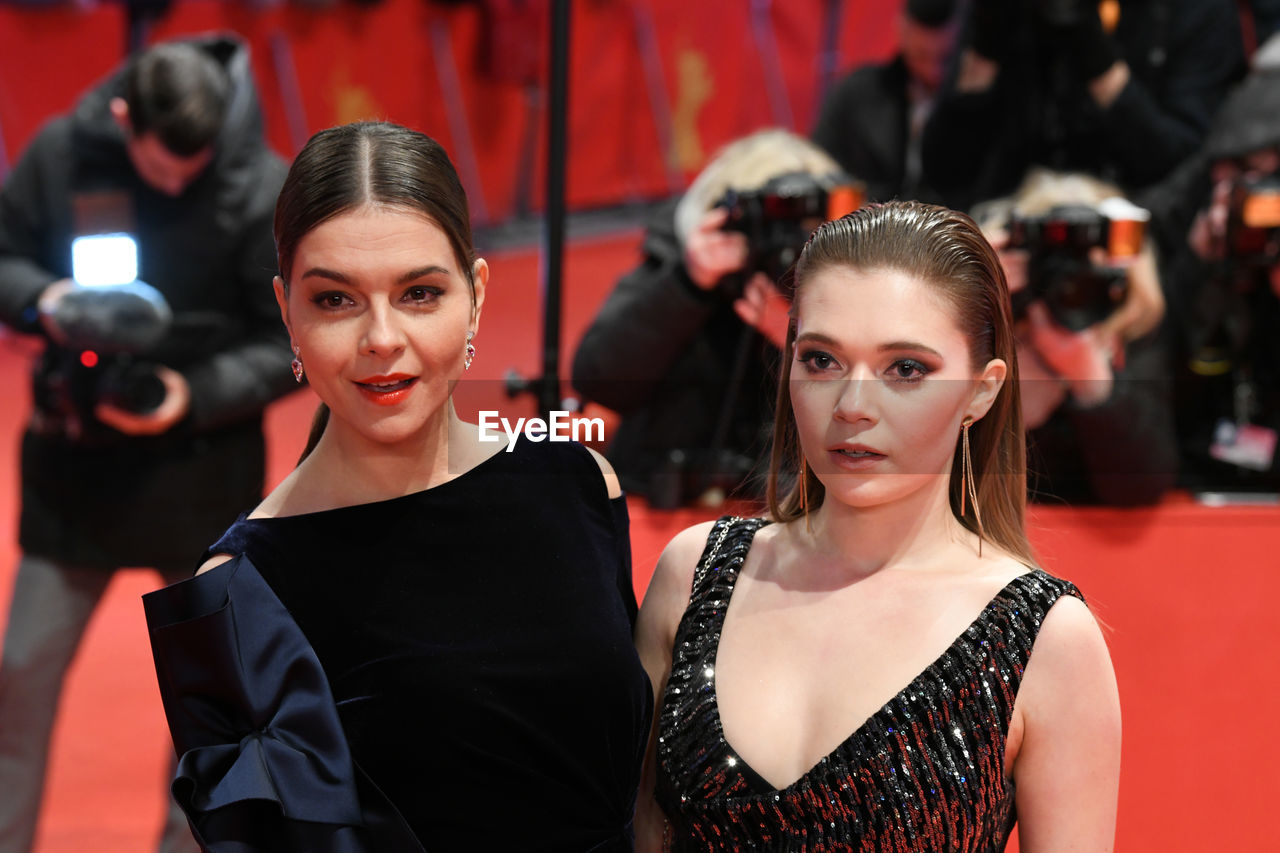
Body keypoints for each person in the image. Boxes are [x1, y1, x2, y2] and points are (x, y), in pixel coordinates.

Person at [142, 121, 653, 851]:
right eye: (336, 301)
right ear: (287, 311)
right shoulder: (239, 593)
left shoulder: (577, 483)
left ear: (474, 294)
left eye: (418, 292)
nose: (381, 337)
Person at [634, 202, 1121, 849]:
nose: (854, 406)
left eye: (906, 369)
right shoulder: (693, 576)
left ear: (982, 389)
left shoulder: (1046, 642)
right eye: (821, 361)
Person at [0, 36, 292, 853]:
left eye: (190, 168)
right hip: (75, 472)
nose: (175, 183)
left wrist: (190, 397)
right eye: (160, 166)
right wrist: (45, 300)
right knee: (20, 675)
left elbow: (287, 344)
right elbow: (3, 255)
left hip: (203, 473)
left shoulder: (257, 184)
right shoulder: (62, 154)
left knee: (215, 698)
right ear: (125, 116)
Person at [572, 129, 851, 508]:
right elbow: (598, 379)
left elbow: (860, 422)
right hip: (667, 495)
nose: (786, 242)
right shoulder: (681, 260)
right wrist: (688, 285)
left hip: (785, 505)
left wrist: (798, 339)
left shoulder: (842, 285)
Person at [921, 0, 1245, 212]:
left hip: (1141, 235)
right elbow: (944, 169)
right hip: (1006, 224)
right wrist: (987, 44)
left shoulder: (1197, 11)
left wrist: (1098, 57)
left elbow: (1182, 171)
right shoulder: (1006, 11)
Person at [976, 168, 1179, 505]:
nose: (1070, 277)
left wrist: (1091, 381)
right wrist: (970, 305)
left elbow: (1143, 488)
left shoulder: (1133, 330)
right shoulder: (983, 321)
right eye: (1052, 256)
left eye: (1088, 258)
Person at [812, 0, 959, 205]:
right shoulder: (858, 94)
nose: (933, 72)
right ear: (901, 32)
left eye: (945, 58)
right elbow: (818, 165)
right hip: (869, 226)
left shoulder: (975, 100)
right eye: (921, 55)